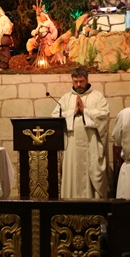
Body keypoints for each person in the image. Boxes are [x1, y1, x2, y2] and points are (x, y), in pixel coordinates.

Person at [51, 67, 110, 198]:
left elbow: (104, 115)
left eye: (81, 81)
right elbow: (55, 118)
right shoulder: (65, 98)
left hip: (91, 146)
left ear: (87, 80)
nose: (78, 85)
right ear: (72, 81)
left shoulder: (97, 97)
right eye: (75, 81)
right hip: (71, 149)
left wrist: (85, 111)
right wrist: (72, 113)